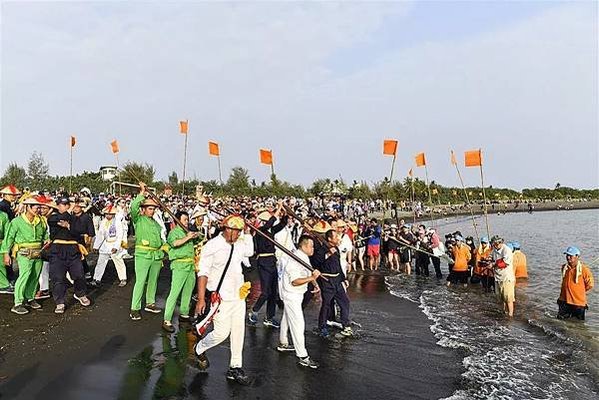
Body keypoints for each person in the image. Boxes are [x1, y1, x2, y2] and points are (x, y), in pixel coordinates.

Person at [194, 215, 255, 385]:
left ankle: (235, 367)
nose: (237, 235)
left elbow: (250, 252)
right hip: (220, 297)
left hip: (238, 295)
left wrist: (248, 232)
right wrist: (201, 299)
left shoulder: (240, 243)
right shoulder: (212, 246)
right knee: (221, 333)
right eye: (235, 231)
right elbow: (203, 273)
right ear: (226, 229)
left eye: (239, 232)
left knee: (238, 332)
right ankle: (199, 348)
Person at [277, 235, 320, 369]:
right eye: (311, 246)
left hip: (297, 294)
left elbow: (308, 270)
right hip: (291, 294)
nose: (313, 249)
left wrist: (314, 282)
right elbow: (295, 281)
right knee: (298, 324)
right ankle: (303, 356)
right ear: (304, 246)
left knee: (287, 317)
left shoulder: (303, 256)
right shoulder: (294, 259)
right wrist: (311, 278)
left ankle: (283, 342)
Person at [0, 196, 48, 314]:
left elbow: (45, 235)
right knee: (24, 275)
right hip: (24, 252)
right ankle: (18, 302)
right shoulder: (17, 222)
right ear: (28, 207)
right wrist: (6, 253)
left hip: (38, 252)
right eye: (36, 207)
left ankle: (30, 297)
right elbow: (9, 238)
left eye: (39, 208)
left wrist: (47, 240)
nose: (38, 210)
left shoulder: (41, 220)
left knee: (35, 276)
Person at [47, 195, 91, 314]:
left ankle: (80, 294)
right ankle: (60, 302)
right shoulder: (53, 217)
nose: (65, 206)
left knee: (79, 274)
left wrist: (68, 226)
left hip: (72, 249)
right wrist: (68, 222)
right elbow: (52, 221)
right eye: (62, 204)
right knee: (58, 277)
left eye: (67, 204)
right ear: (58, 205)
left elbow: (80, 230)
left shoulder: (75, 218)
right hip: (57, 249)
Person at [130, 183, 166, 321]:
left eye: (153, 209)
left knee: (153, 281)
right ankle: (135, 308)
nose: (152, 211)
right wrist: (142, 192)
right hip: (143, 255)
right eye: (150, 208)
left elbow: (161, 240)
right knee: (140, 281)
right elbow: (133, 207)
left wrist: (166, 248)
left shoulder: (156, 224)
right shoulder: (138, 219)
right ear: (143, 209)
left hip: (156, 255)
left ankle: (150, 303)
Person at [248, 206, 288, 327]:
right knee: (265, 292)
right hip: (263, 261)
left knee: (273, 292)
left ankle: (269, 317)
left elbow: (282, 224)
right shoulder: (260, 231)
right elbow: (270, 223)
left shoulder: (271, 231)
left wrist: (284, 214)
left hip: (272, 260)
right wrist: (278, 208)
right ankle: (254, 311)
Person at [162, 211, 200, 333]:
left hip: (190, 265)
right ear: (177, 221)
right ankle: (166, 319)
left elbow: (198, 241)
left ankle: (184, 314)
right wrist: (188, 236)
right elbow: (175, 243)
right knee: (175, 292)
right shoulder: (174, 232)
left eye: (187, 219)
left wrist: (195, 234)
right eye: (184, 220)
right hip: (179, 265)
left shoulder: (187, 232)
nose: (186, 222)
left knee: (188, 291)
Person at [313, 229, 352, 337]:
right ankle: (322, 326)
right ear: (329, 239)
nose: (338, 239)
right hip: (327, 281)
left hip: (337, 281)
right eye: (336, 237)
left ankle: (346, 324)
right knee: (326, 305)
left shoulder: (336, 249)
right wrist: (327, 254)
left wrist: (344, 278)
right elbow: (315, 262)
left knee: (345, 302)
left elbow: (338, 266)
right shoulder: (322, 249)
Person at [92, 204, 128, 287]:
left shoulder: (117, 222)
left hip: (115, 243)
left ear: (114, 214)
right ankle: (96, 279)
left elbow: (120, 235)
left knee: (118, 261)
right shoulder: (103, 222)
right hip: (105, 244)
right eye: (107, 214)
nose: (108, 216)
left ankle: (123, 278)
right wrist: (96, 246)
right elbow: (101, 235)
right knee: (101, 262)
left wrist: (116, 246)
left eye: (110, 214)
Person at [557, 246, 594, 320]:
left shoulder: (584, 270)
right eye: (567, 255)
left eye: (570, 255)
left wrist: (578, 292)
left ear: (577, 256)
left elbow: (590, 285)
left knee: (578, 327)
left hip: (578, 304)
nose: (568, 257)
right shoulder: (564, 267)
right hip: (564, 301)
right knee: (560, 323)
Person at [490, 235, 515, 317]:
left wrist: (493, 264)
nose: (495, 246)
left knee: (508, 297)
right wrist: (488, 261)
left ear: (500, 243)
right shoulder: (494, 250)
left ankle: (510, 314)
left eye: (496, 244)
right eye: (494, 244)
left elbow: (504, 263)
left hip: (506, 277)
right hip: (497, 277)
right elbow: (492, 257)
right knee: (500, 297)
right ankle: (503, 312)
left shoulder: (506, 250)